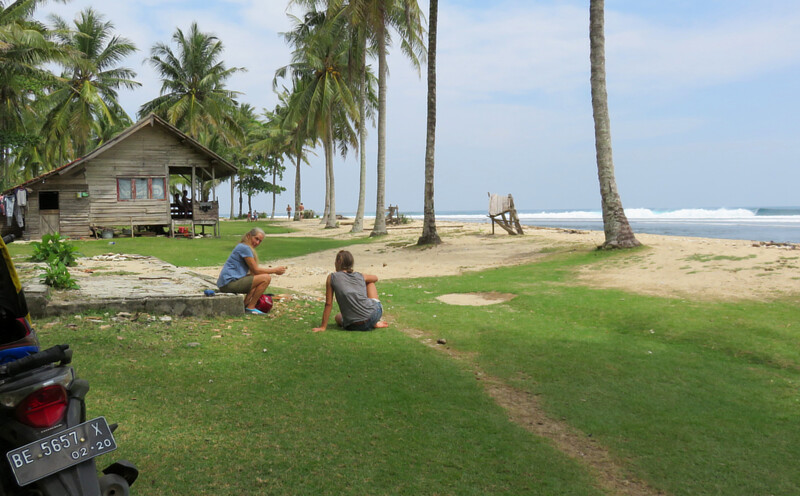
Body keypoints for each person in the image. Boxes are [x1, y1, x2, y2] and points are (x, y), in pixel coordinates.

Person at [313, 250, 388, 332]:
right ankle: (374, 322)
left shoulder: (332, 277)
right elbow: (375, 278)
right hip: (373, 315)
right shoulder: (359, 275)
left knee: (338, 317)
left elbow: (328, 304)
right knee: (370, 283)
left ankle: (369, 321)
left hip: (353, 326)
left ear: (338, 262)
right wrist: (362, 278)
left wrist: (323, 327)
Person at [216, 228, 287, 315]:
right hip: (228, 284)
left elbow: (254, 273)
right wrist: (274, 270)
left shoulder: (243, 247)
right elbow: (255, 270)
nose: (257, 243)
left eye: (260, 241)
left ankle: (245, 305)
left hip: (226, 283)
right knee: (266, 278)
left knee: (257, 279)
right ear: (249, 236)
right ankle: (251, 307)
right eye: (256, 239)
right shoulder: (244, 248)